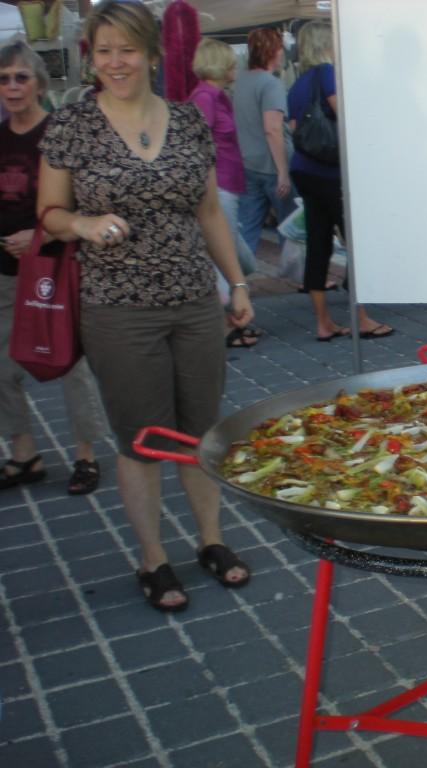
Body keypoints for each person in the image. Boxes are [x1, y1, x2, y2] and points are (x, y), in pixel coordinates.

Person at [37, 0, 254, 612]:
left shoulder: (187, 122)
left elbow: (209, 211)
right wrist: (82, 222)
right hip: (118, 307)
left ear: (153, 54)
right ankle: (154, 559)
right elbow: (47, 216)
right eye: (103, 51)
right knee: (141, 438)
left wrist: (235, 285)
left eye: (126, 49)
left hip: (193, 301)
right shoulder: (73, 125)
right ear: (91, 57)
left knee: (201, 431)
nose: (115, 62)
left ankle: (211, 541)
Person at [0, 41, 107, 497]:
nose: (11, 86)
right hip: (4, 270)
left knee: (70, 361)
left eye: (20, 77)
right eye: (3, 78)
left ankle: (86, 454)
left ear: (40, 83)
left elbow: (84, 204)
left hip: (57, 267)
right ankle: (24, 454)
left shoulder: (58, 134)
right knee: (1, 367)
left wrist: (39, 237)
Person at [286, 20, 393, 341]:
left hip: (304, 169)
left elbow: (293, 128)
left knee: (318, 242)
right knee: (356, 242)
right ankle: (361, 318)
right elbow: (348, 116)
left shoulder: (297, 83)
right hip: (333, 173)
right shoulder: (328, 74)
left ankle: (323, 323)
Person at [188, 37, 262, 349]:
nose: (236, 66)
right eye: (230, 61)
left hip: (228, 184)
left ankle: (230, 316)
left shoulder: (216, 95)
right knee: (226, 254)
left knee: (238, 256)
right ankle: (226, 322)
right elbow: (198, 145)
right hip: (218, 187)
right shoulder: (206, 97)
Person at [233, 27, 296, 259]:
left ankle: (236, 280)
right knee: (290, 226)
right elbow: (272, 128)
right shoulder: (271, 84)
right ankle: (298, 276)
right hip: (272, 165)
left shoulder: (241, 81)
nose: (283, 54)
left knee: (247, 227)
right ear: (272, 51)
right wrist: (283, 172)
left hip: (248, 162)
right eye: (280, 48)